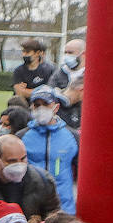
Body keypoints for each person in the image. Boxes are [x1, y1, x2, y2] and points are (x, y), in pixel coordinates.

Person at [19, 85, 79, 214]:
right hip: (30, 208)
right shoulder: (21, 136)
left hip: (64, 208)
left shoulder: (73, 137)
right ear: (31, 107)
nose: (41, 108)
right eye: (36, 105)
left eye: (45, 104)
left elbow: (83, 171)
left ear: (55, 107)